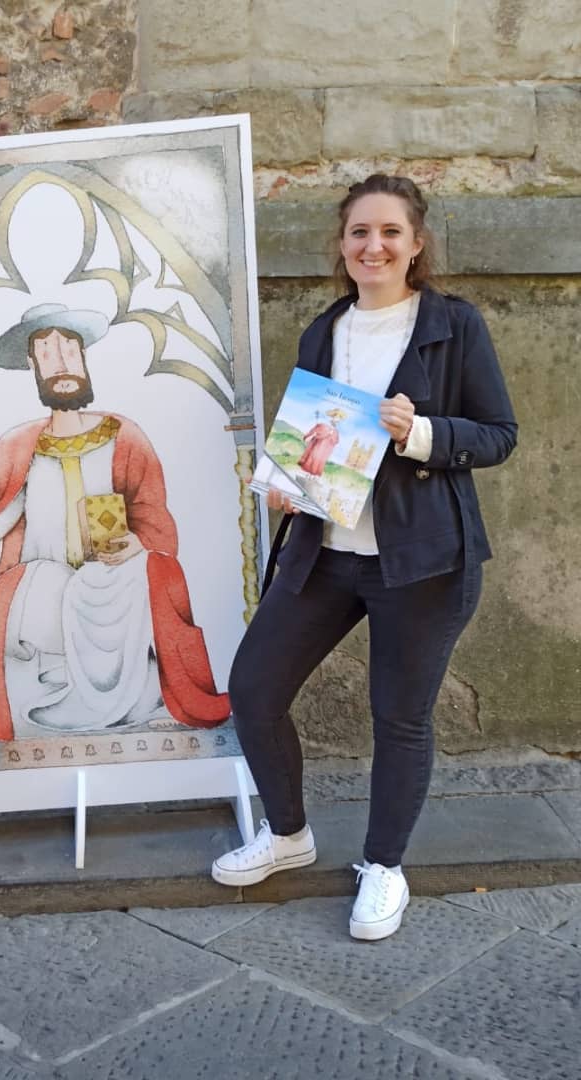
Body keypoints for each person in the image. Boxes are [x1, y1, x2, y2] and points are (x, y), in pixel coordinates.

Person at [210, 174, 517, 941]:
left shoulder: (453, 324)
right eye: (358, 233)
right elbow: (315, 438)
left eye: (388, 233)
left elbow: (498, 434)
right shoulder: (325, 330)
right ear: (341, 245)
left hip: (423, 561)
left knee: (399, 718)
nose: (372, 246)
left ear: (416, 244)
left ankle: (384, 867)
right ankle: (288, 835)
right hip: (327, 551)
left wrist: (422, 433)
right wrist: (289, 485)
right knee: (253, 688)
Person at [0, 302, 230, 741]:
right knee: (46, 581)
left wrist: (139, 543)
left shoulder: (122, 434)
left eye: (69, 349)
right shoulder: (20, 445)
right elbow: (4, 512)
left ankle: (124, 695)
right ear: (32, 364)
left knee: (115, 579)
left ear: (85, 357)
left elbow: (152, 515)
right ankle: (67, 689)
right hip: (49, 584)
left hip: (112, 583)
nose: (61, 363)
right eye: (47, 351)